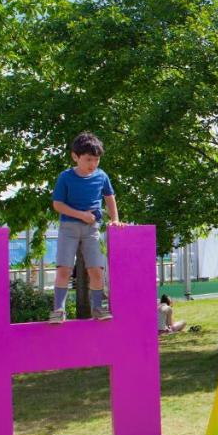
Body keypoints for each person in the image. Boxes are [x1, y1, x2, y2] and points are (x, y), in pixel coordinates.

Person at [50, 132, 121, 323]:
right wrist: (81, 215)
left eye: (96, 159)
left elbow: (109, 198)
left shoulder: (102, 176)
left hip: (92, 230)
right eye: (88, 159)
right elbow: (58, 204)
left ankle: (97, 308)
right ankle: (58, 310)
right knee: (64, 269)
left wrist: (115, 219)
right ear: (75, 156)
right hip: (68, 228)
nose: (93, 164)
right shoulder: (65, 177)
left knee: (96, 270)